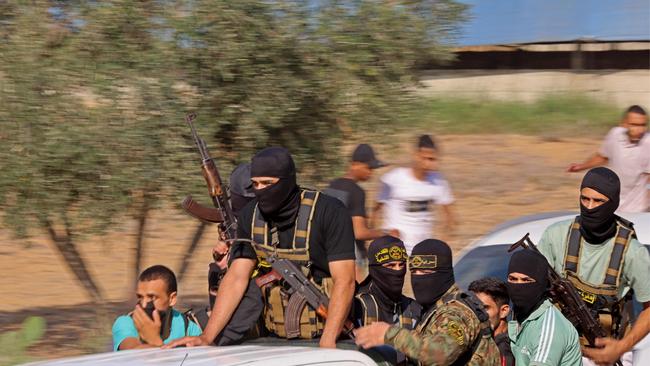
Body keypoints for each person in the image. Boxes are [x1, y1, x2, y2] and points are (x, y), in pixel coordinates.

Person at [165, 147, 356, 349]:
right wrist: (207, 337)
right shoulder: (251, 215)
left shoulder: (329, 211)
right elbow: (237, 277)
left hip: (331, 335)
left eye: (268, 183)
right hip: (273, 338)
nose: (261, 190)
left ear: (288, 180)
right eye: (255, 184)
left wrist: (328, 341)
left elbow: (345, 280)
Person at [537, 167, 650, 364]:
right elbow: (531, 287)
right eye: (585, 199)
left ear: (613, 203)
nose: (589, 207)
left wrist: (621, 348)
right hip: (558, 346)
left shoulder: (632, 252)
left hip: (608, 352)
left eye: (598, 201)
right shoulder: (555, 236)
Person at [354, 239, 500, 365]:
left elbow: (441, 354)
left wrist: (389, 334)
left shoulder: (457, 312)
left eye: (425, 273)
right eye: (415, 272)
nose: (419, 279)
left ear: (444, 273)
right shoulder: (434, 309)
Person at [374, 135, 455, 254]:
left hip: (422, 250)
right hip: (394, 248)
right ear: (416, 155)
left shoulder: (439, 181)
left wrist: (445, 240)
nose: (430, 164)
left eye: (433, 159)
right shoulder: (394, 178)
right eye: (426, 158)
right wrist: (377, 239)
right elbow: (376, 210)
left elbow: (450, 216)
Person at [567, 105, 650, 212]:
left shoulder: (648, 143)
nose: (639, 130)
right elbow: (603, 156)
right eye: (634, 125)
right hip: (613, 204)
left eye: (642, 125)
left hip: (637, 209)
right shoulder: (615, 135)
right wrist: (581, 166)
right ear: (624, 123)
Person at [506, 250, 582, 365]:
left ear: (541, 284)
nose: (518, 286)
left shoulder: (548, 327)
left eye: (526, 280)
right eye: (513, 279)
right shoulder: (516, 316)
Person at [327, 144, 390, 281]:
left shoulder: (332, 185)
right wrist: (385, 233)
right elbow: (359, 232)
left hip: (330, 255)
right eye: (368, 167)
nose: (371, 172)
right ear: (354, 164)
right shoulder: (356, 191)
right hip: (352, 258)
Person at [112, 265, 201, 351]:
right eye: (140, 297)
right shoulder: (126, 323)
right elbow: (132, 351)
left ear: (172, 299)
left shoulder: (187, 326)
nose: (143, 304)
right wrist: (153, 339)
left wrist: (154, 340)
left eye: (152, 297)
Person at [353, 235, 420, 328]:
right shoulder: (357, 306)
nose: (397, 270)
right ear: (375, 269)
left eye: (401, 265)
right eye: (390, 266)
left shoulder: (413, 309)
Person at [469, 277, 514, 366]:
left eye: (485, 308)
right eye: (473, 307)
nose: (477, 313)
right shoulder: (480, 340)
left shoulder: (503, 352)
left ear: (503, 311)